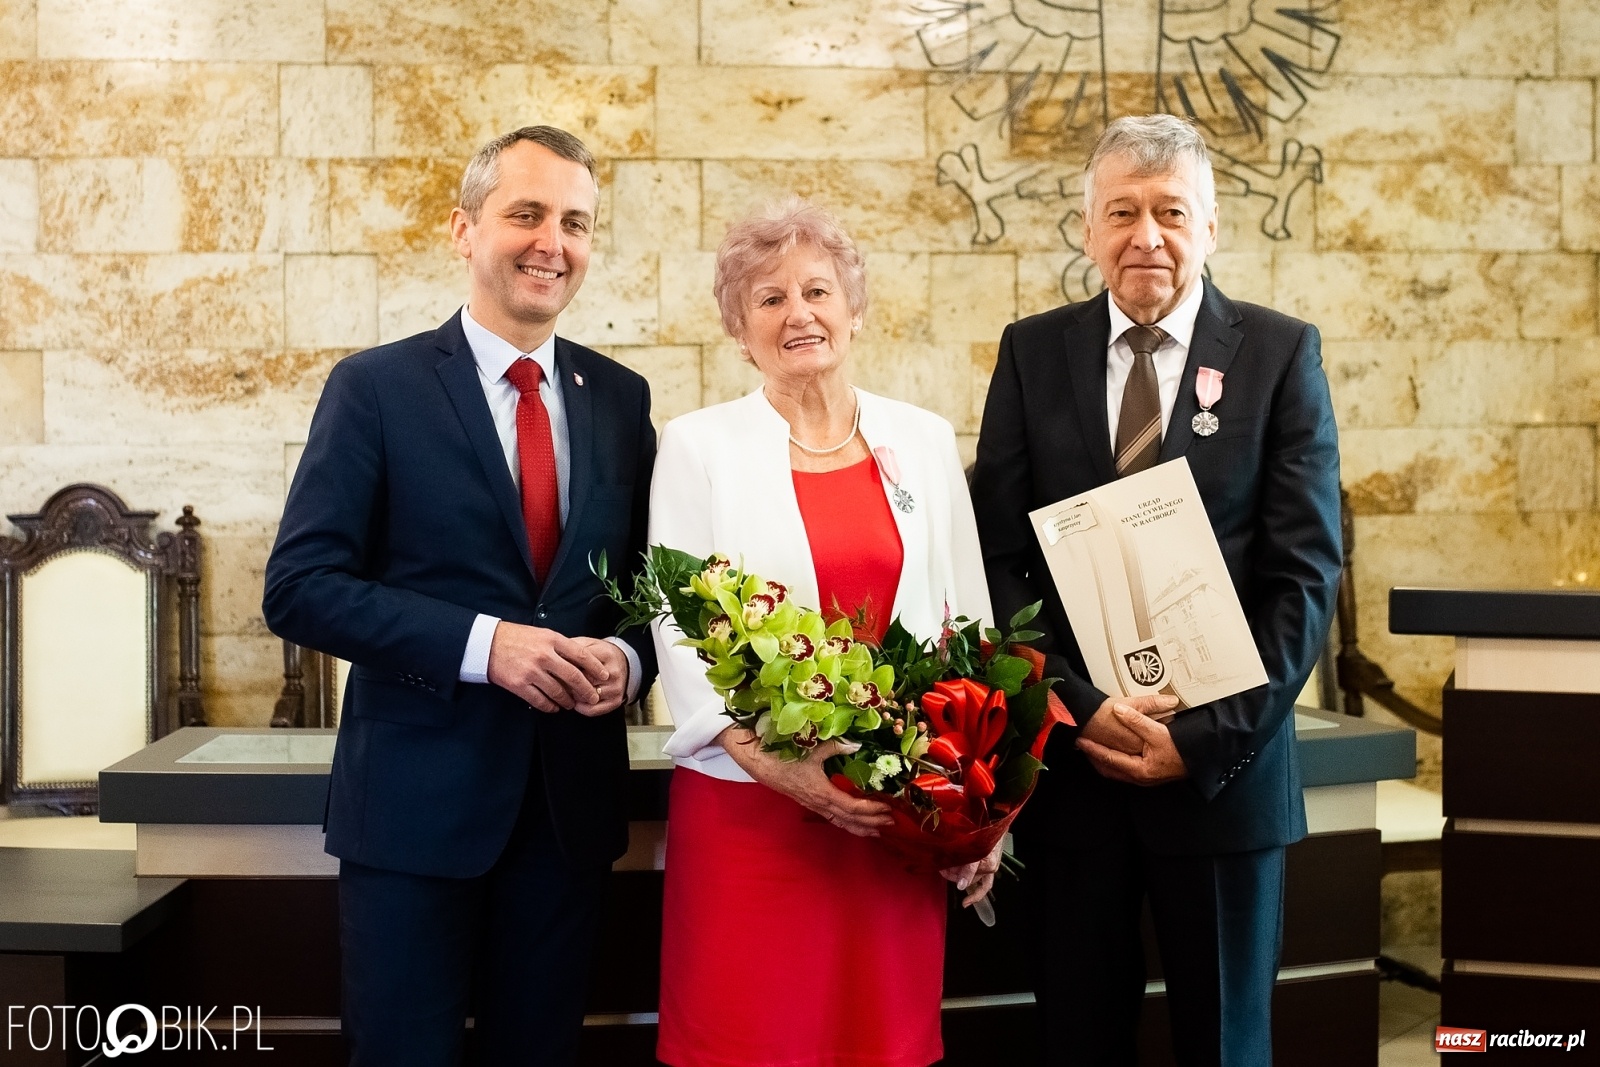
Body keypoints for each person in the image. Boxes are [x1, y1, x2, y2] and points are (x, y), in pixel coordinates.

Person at [262, 125, 656, 1066]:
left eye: (575, 222)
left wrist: (629, 658)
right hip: (412, 815)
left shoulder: (622, 398)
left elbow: (644, 587)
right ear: (463, 229)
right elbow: (300, 587)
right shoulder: (375, 388)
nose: (550, 242)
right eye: (525, 213)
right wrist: (488, 644)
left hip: (568, 814)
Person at [971, 114, 1341, 1066]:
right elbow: (999, 557)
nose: (1147, 236)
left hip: (1225, 780)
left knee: (1225, 1044)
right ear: (1088, 228)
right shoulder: (1030, 352)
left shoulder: (1278, 353)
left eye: (1171, 211)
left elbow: (1302, 574)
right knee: (1075, 1037)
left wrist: (1204, 739)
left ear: (1210, 226)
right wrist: (1079, 709)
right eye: (1122, 211)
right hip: (1076, 777)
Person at [649, 197, 998, 1067]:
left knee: (883, 1039)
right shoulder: (697, 448)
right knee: (748, 1038)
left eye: (817, 290)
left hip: (892, 820)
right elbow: (678, 625)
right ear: (739, 328)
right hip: (750, 813)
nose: (798, 313)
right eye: (768, 299)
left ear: (853, 307)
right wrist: (784, 771)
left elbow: (975, 628)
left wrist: (984, 814)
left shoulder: (920, 440)